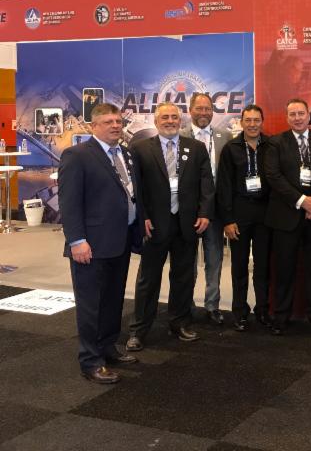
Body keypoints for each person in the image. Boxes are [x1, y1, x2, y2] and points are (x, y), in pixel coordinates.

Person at [59, 103, 140, 383]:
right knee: (90, 305)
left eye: (118, 121)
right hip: (90, 245)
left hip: (120, 240)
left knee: (113, 300)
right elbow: (69, 203)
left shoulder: (125, 154)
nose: (115, 126)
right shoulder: (77, 155)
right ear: (94, 126)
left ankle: (108, 347)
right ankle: (91, 361)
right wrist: (77, 240)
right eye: (108, 122)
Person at [125, 102, 215, 351]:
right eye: (164, 117)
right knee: (148, 279)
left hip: (187, 223)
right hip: (155, 224)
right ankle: (139, 330)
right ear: (156, 121)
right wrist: (142, 217)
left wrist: (205, 213)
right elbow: (136, 188)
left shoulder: (196, 148)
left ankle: (179, 323)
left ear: (180, 120)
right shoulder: (140, 148)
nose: (170, 121)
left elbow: (206, 183)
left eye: (174, 117)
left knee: (183, 277)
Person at [265, 98, 311, 334]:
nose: (297, 118)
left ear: (308, 115)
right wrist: (302, 201)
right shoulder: (276, 142)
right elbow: (273, 176)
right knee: (284, 269)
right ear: (287, 117)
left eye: (301, 113)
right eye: (292, 114)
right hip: (286, 215)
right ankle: (281, 316)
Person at [215, 104, 271, 332]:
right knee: (238, 265)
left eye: (256, 120)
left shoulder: (271, 146)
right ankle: (240, 312)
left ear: (262, 122)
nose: (252, 124)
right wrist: (227, 220)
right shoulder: (231, 149)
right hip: (239, 214)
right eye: (248, 120)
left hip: (265, 214)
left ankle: (263, 310)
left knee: (263, 265)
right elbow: (224, 186)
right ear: (241, 122)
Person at [180, 92, 232, 326]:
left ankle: (212, 306)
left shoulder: (225, 136)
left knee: (214, 259)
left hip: (216, 210)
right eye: (199, 108)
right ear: (190, 110)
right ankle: (186, 306)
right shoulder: (180, 136)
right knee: (187, 261)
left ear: (213, 111)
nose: (204, 113)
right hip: (188, 210)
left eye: (207, 109)